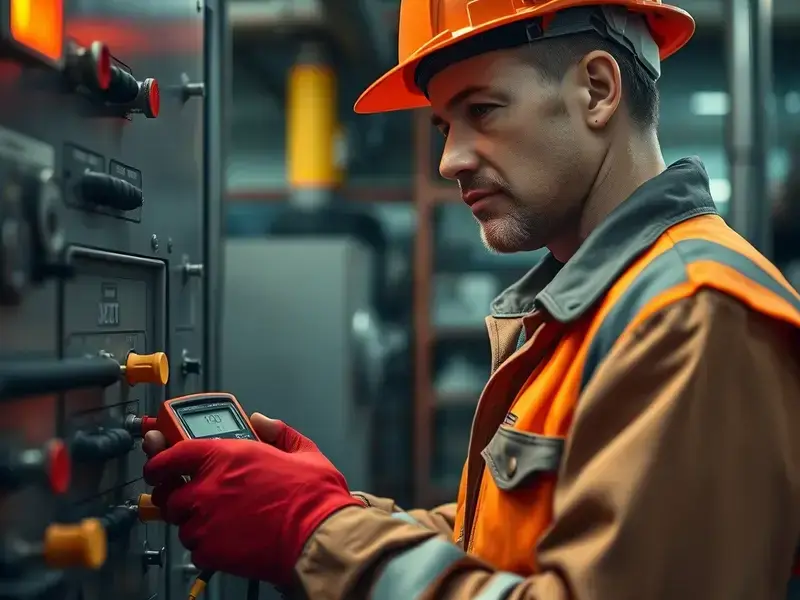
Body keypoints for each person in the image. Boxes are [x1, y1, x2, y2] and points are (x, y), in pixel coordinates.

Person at [142, 1, 800, 598]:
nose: (449, 160)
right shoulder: (591, 310)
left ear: (597, 90)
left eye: (482, 110)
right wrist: (324, 506)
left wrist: (314, 531)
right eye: (442, 126)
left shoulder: (692, 313)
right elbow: (504, 544)